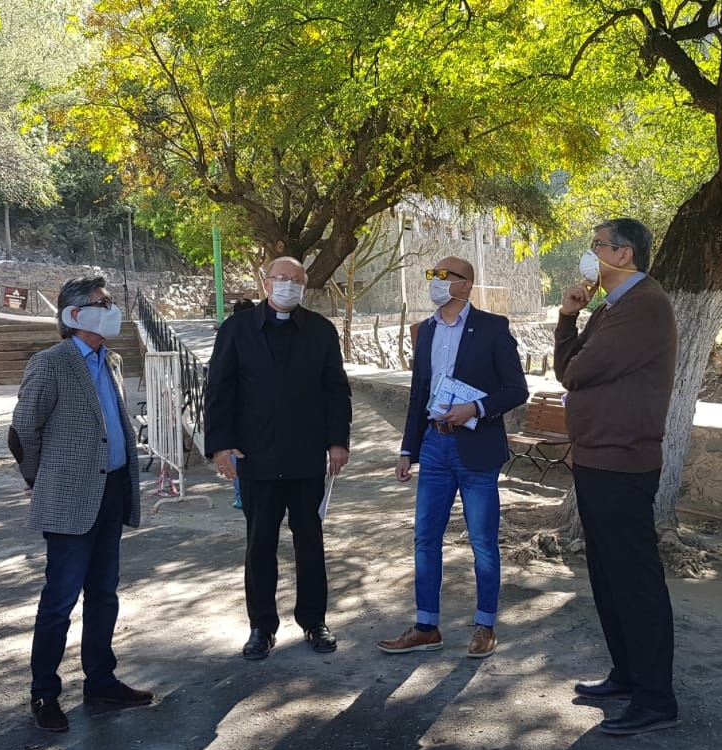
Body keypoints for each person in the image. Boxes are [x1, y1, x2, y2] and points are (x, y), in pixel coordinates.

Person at [554, 218, 681, 736]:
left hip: (623, 461)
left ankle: (656, 699)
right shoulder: (610, 308)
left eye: (597, 246)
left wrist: (576, 356)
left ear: (624, 254)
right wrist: (568, 317)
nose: (590, 254)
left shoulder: (644, 305)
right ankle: (627, 675)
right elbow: (569, 365)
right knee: (608, 576)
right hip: (597, 457)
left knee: (634, 579)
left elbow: (577, 373)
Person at [11, 276, 153, 733]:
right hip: (69, 498)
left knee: (104, 594)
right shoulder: (50, 364)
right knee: (60, 600)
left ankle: (101, 680)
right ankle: (44, 693)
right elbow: (23, 431)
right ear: (74, 314)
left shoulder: (111, 360)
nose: (111, 309)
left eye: (110, 301)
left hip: (111, 491)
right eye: (101, 303)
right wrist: (39, 478)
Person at [377, 256, 526, 659]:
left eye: (444, 275)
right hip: (433, 447)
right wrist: (407, 449)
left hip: (476, 448)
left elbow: (516, 389)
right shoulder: (425, 330)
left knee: (482, 542)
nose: (435, 281)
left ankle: (485, 625)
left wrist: (475, 409)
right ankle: (426, 626)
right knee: (425, 538)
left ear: (465, 285)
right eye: (432, 274)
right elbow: (418, 392)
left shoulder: (492, 328)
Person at [204, 257, 352, 660]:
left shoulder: (320, 331)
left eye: (297, 280)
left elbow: (335, 390)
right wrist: (220, 445)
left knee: (310, 543)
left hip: (306, 456)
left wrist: (337, 442)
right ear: (266, 282)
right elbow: (219, 389)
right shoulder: (237, 330)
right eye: (282, 278)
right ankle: (261, 627)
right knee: (260, 545)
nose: (289, 285)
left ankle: (314, 620)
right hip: (257, 456)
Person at [228, 298, 258, 510]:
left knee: (237, 453)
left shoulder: (230, 334)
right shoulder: (260, 335)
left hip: (237, 409)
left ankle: (241, 496)